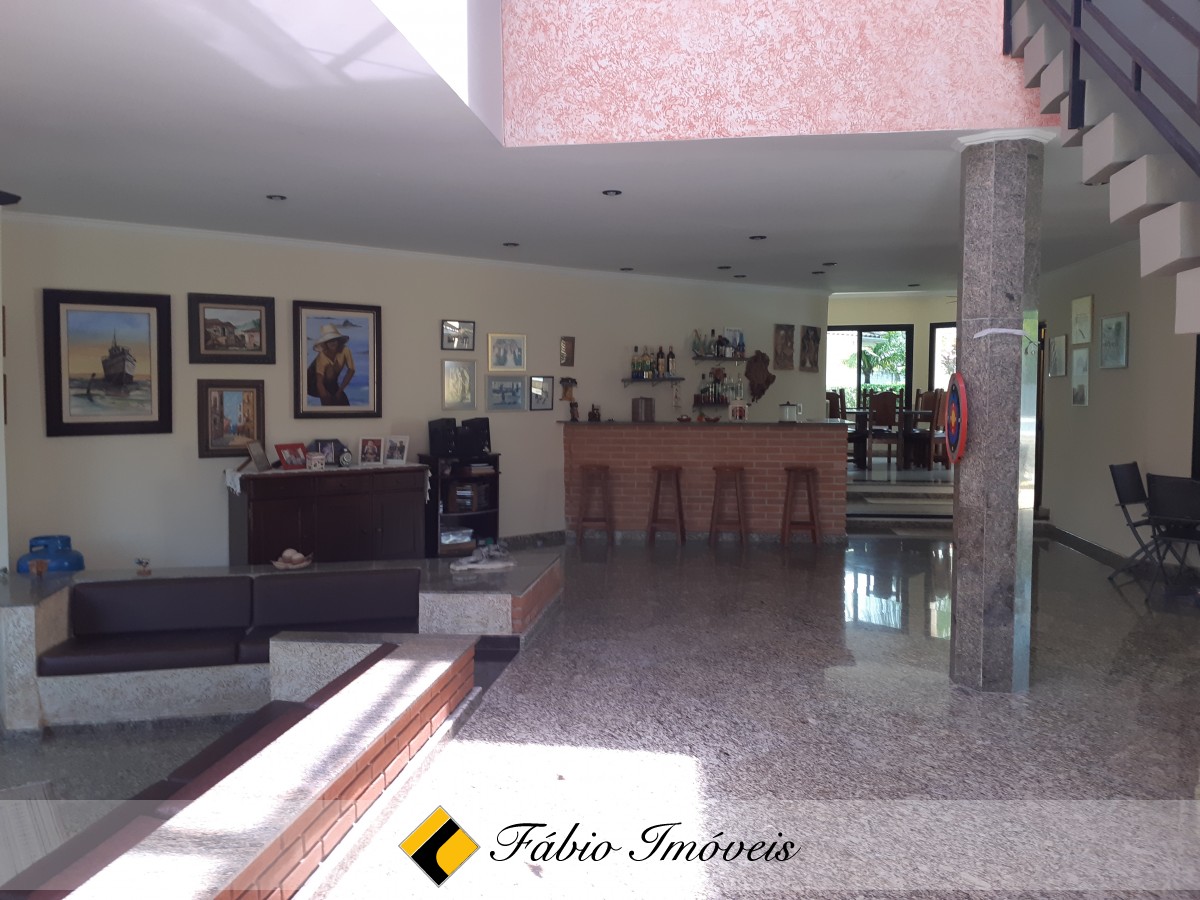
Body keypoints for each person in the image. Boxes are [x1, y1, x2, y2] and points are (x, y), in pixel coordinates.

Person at [308, 324, 355, 406]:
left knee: (343, 402)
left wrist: (340, 390)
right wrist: (325, 396)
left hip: (333, 383)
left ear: (338, 341)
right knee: (328, 402)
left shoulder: (345, 350)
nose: (332, 343)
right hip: (313, 383)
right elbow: (319, 382)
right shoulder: (322, 356)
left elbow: (351, 370)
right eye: (329, 341)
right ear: (325, 343)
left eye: (334, 340)